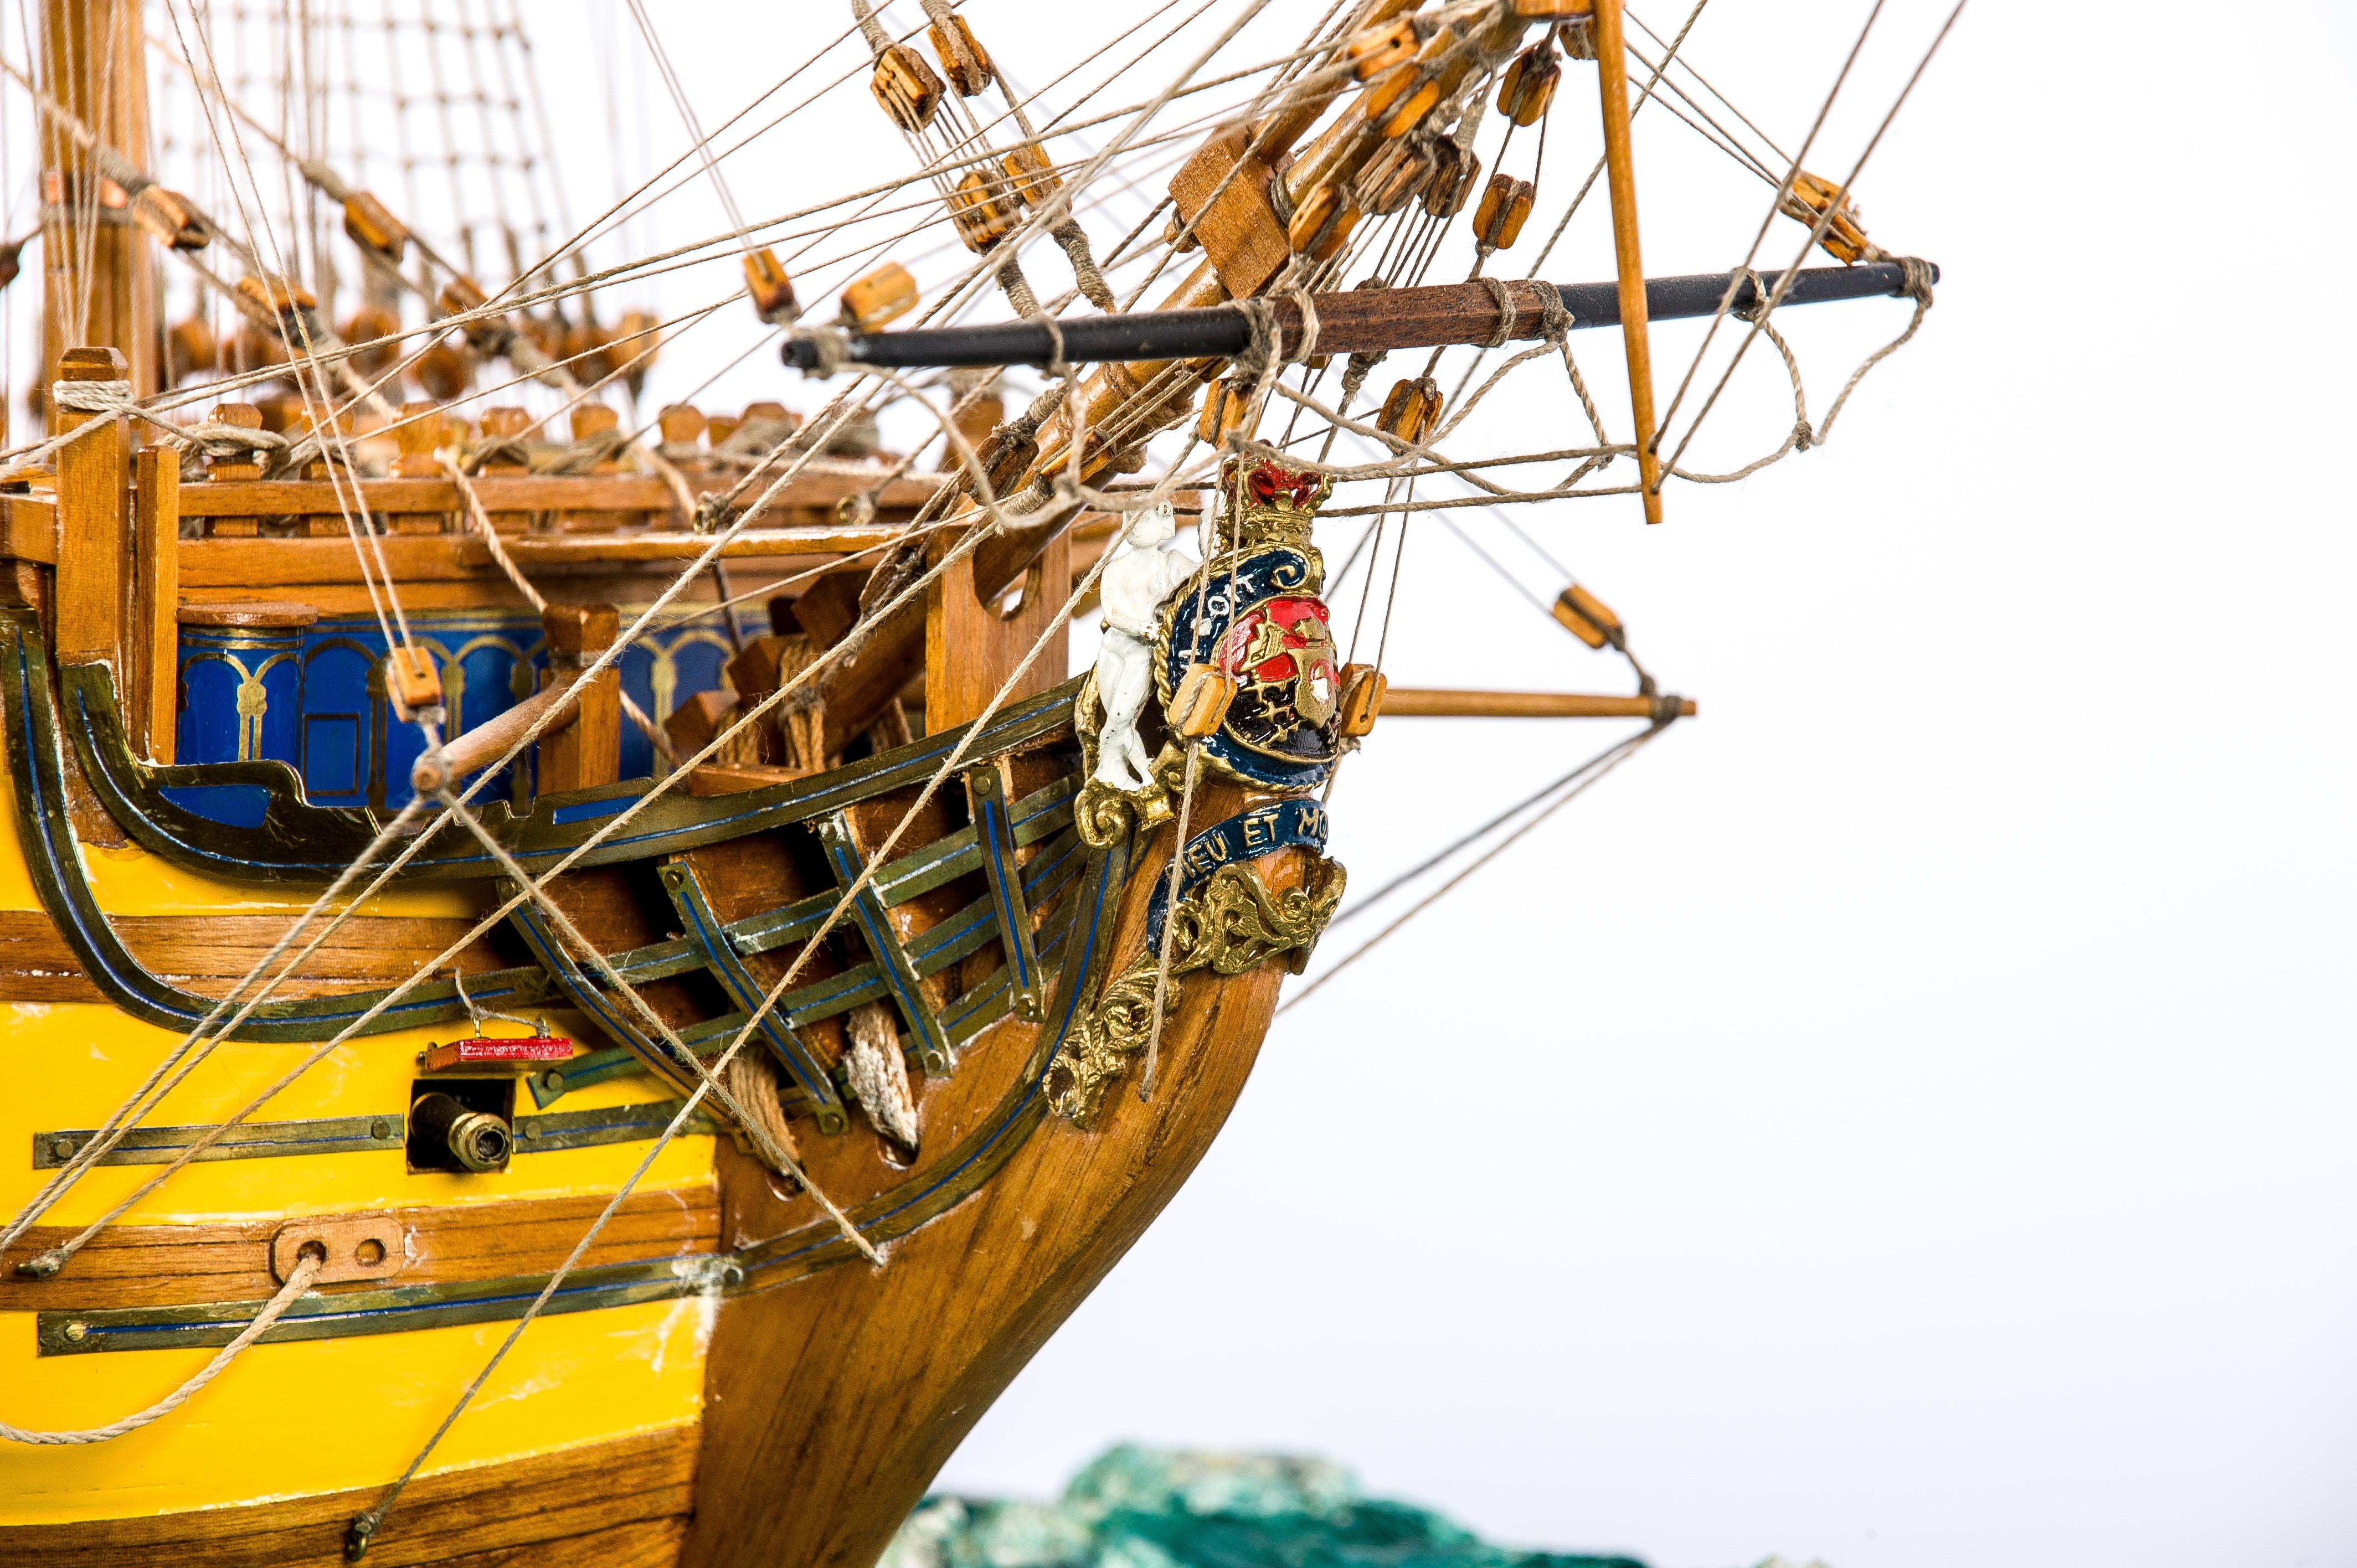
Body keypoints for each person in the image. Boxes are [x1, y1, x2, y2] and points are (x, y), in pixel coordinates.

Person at [1092, 502, 1198, 790]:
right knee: (1117, 719)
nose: (1133, 521)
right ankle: (1126, 772)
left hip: (1143, 652)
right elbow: (1112, 613)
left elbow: (1209, 579)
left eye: (1143, 516)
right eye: (1130, 516)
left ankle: (1124, 775)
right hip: (1114, 647)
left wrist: (1207, 537)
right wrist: (1141, 626)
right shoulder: (1114, 569)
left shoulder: (1173, 564)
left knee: (1119, 716)